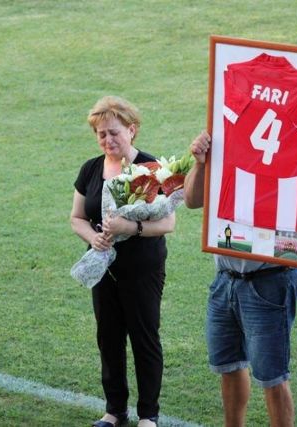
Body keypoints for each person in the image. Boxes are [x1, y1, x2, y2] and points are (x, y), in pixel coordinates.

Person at [184, 130, 297, 426]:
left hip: (270, 279)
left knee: (272, 376)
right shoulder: (222, 136)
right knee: (228, 366)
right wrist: (200, 163)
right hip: (225, 278)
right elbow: (192, 200)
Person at [70, 96, 175, 427]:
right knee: (109, 338)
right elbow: (76, 218)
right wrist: (93, 237)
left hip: (142, 270)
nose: (107, 140)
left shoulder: (150, 168)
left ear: (132, 130)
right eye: (101, 134)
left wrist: (130, 227)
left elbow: (168, 223)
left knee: (144, 339)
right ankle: (114, 410)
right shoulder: (90, 168)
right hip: (104, 270)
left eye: (114, 133)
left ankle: (149, 415)